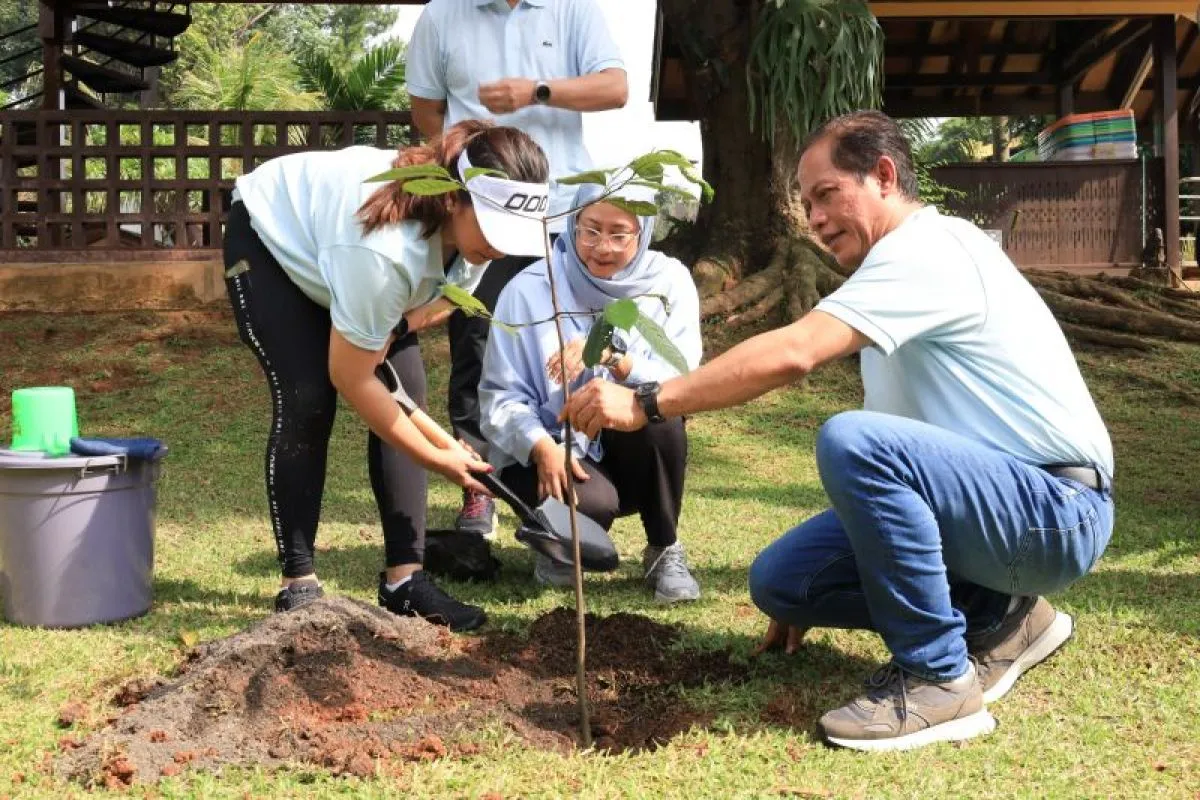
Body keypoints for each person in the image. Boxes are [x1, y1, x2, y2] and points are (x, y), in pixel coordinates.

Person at [562, 110, 1115, 752]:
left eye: (827, 195)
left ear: (884, 176)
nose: (816, 219)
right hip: (994, 511)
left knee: (854, 439)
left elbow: (796, 352)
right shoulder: (890, 275)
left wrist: (650, 401)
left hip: (1054, 511)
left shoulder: (928, 248)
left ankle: (938, 678)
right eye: (807, 204)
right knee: (785, 582)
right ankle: (1003, 617)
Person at [223, 119, 550, 631]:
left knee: (408, 386)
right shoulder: (384, 252)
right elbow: (351, 377)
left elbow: (450, 296)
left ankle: (405, 581)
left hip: (349, 259)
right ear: (453, 200)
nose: (501, 247)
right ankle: (298, 583)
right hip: (273, 240)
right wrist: (438, 457)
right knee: (308, 397)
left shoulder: (476, 236)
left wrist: (399, 327)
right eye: (494, 229)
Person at [406, 0, 629, 539]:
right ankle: (479, 489)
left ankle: (571, 472)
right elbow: (427, 111)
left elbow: (615, 88)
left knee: (570, 341)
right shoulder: (441, 16)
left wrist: (538, 91)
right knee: (475, 343)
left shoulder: (573, 10)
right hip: (481, 213)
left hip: (561, 211)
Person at [478, 184, 703, 601]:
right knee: (593, 505)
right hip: (549, 450)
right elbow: (499, 398)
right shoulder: (530, 288)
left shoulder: (667, 283)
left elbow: (684, 379)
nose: (602, 247)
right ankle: (557, 543)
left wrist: (616, 358)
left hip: (628, 449)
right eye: (591, 230)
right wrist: (540, 446)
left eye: (619, 234)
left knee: (661, 413)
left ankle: (663, 549)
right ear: (572, 225)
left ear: (643, 232)